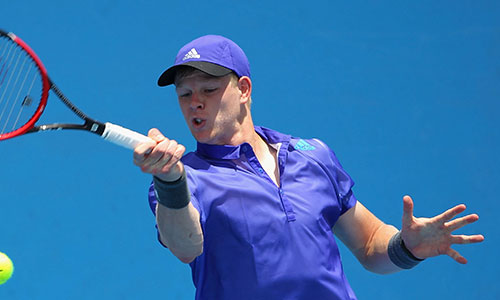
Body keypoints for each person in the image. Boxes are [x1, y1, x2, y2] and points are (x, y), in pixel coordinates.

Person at [133, 35, 484, 299]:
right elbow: (185, 246)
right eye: (185, 94)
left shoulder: (312, 156)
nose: (195, 103)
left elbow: (371, 245)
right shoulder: (185, 178)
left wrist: (407, 248)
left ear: (243, 89)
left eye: (208, 89)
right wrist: (170, 180)